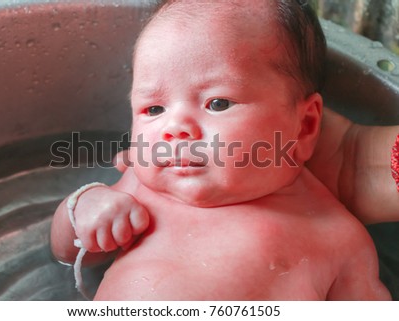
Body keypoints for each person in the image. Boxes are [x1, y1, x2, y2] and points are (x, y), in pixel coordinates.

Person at [50, 0, 391, 300]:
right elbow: (68, 250)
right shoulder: (140, 187)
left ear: (303, 126)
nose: (174, 128)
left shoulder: (337, 237)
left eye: (217, 103)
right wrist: (84, 209)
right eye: (154, 109)